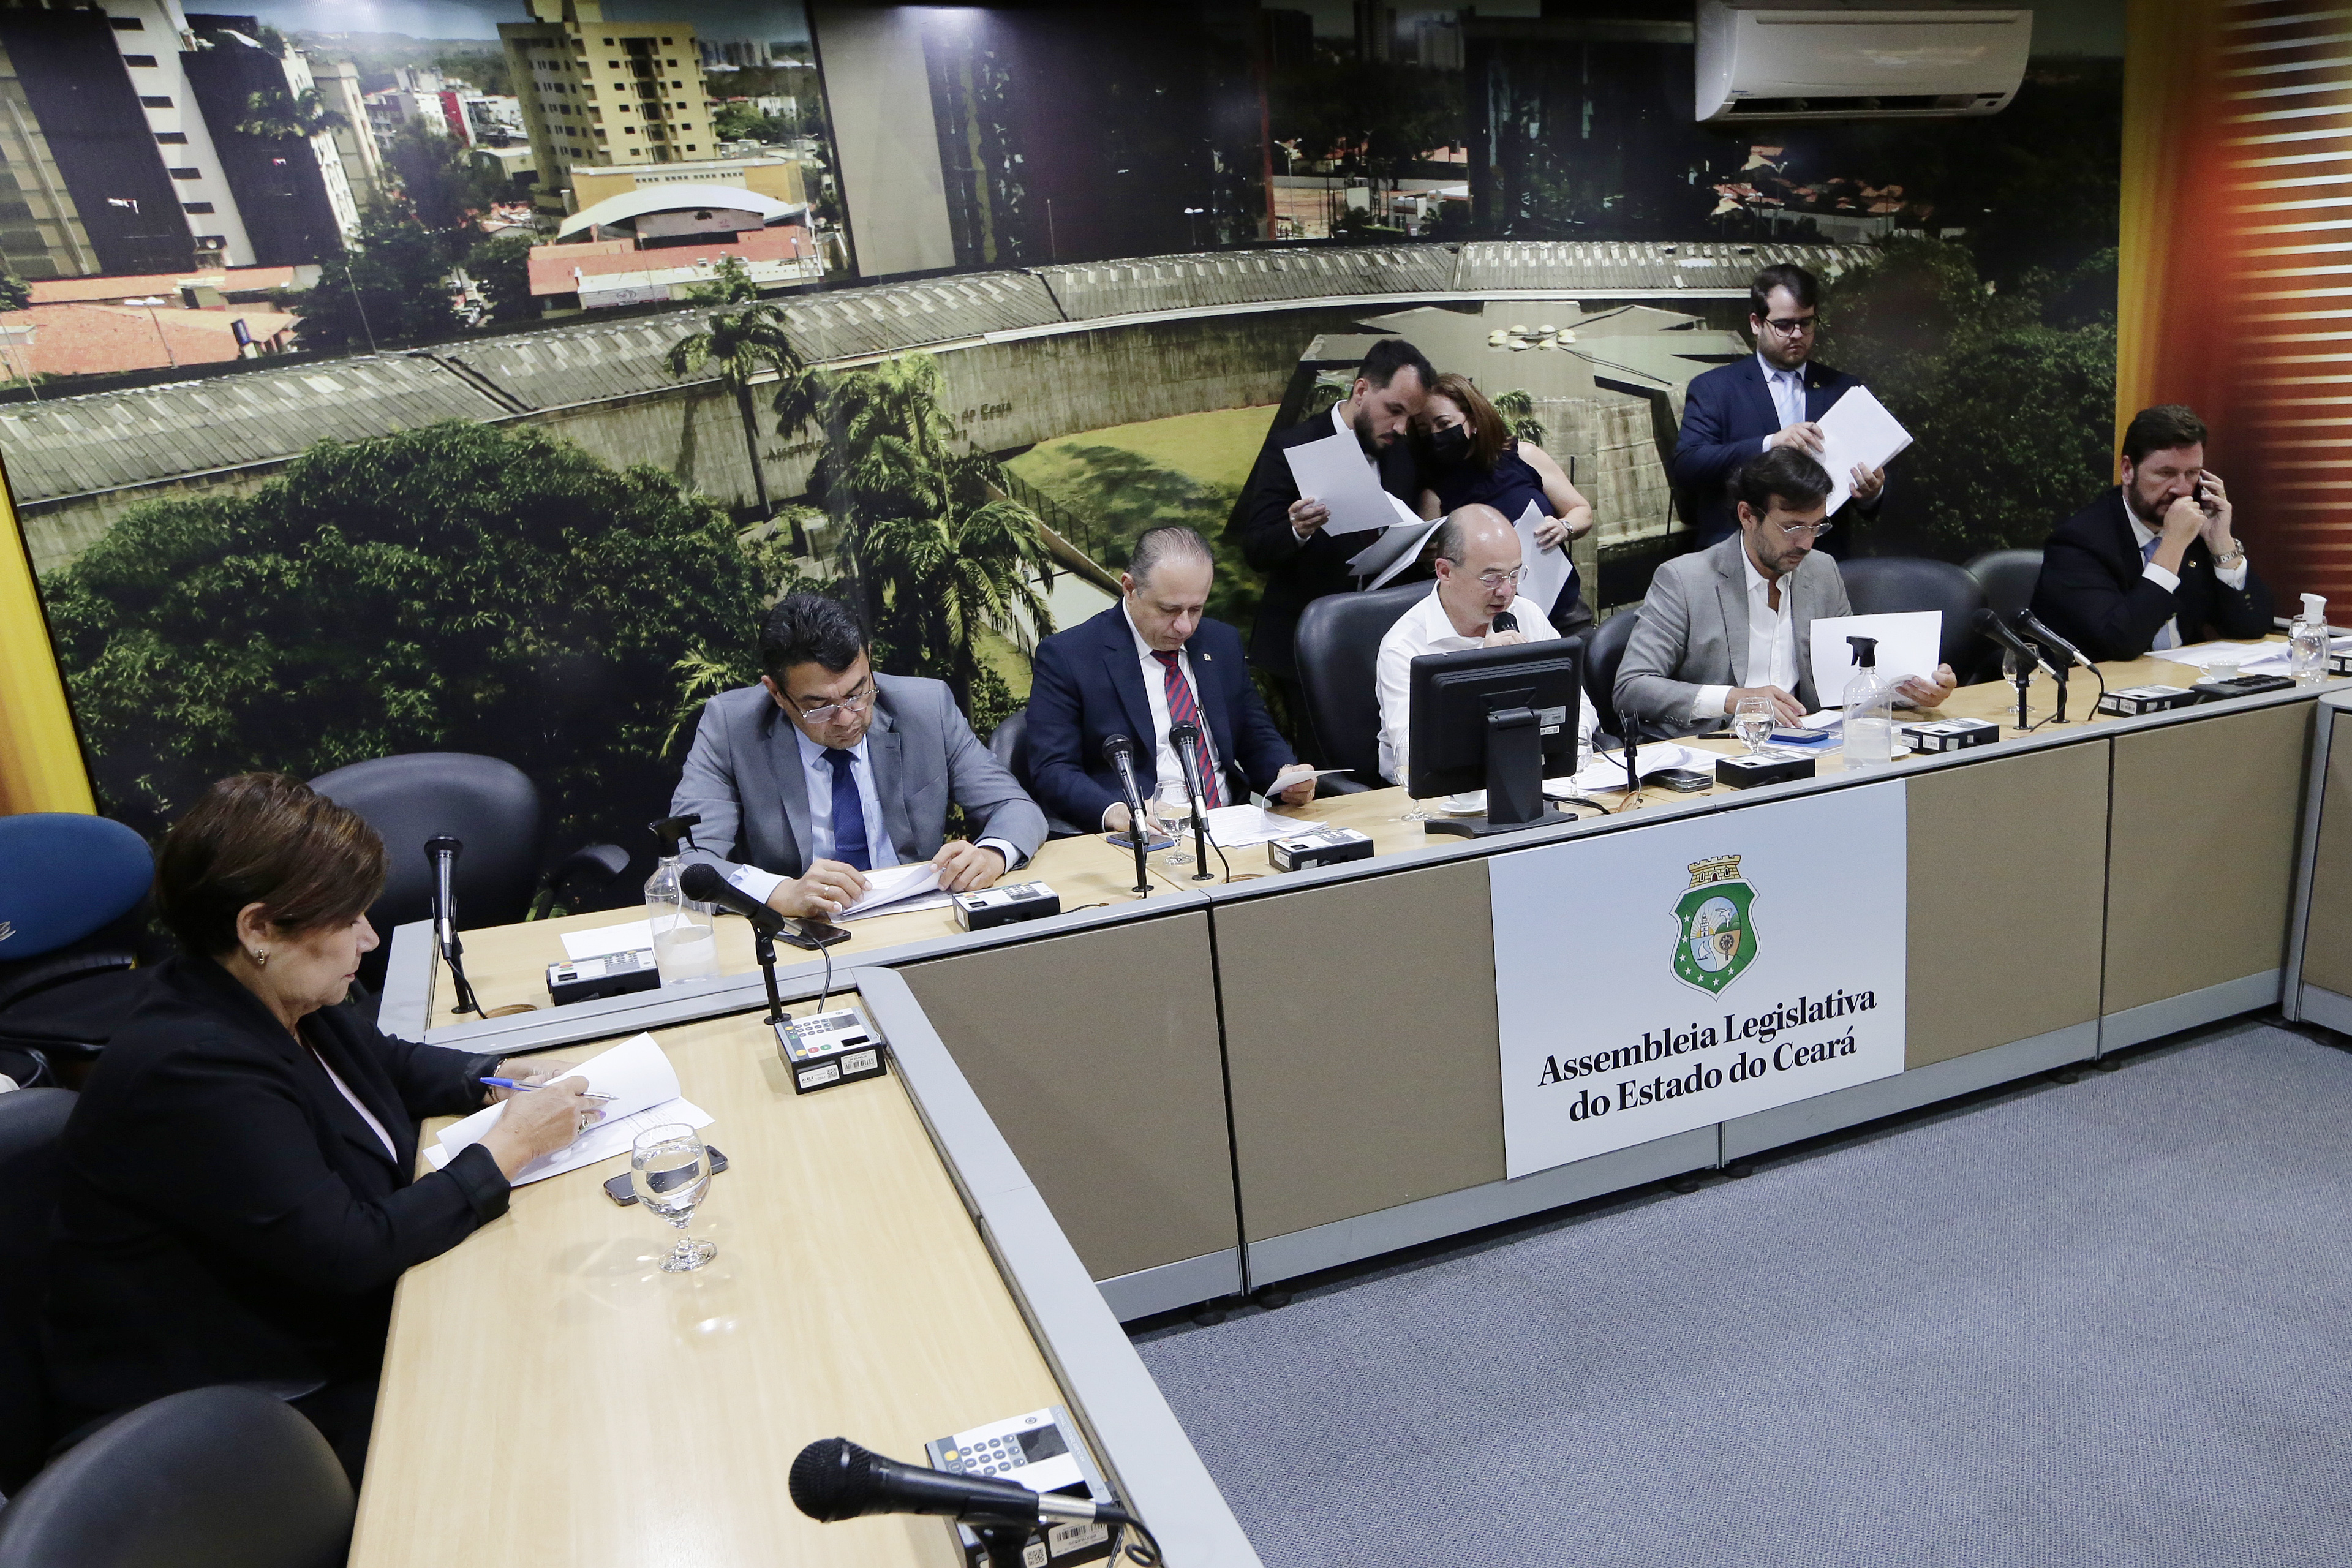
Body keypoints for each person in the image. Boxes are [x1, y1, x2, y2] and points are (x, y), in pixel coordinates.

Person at [42, 774, 597, 1483]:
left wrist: (495, 1073)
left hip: (323, 1330)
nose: (369, 936)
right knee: (531, 1426)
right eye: (347, 918)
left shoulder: (275, 992)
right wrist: (511, 1144)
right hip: (237, 1408)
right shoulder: (193, 1068)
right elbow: (350, 1251)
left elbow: (386, 1061)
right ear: (259, 929)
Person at [671, 594, 1046, 919]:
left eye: (857, 693)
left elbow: (1014, 807)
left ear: (868, 659)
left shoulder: (926, 707)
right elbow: (683, 863)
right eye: (819, 707)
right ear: (777, 694)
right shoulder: (732, 728)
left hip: (918, 915)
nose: (847, 718)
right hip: (803, 930)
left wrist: (991, 855)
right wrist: (781, 893)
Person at [1616, 447, 1957, 737]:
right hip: (1717, 749)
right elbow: (1632, 687)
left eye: (1817, 526)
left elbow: (1847, 676)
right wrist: (1735, 699)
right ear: (1748, 516)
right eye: (1792, 527)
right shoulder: (1685, 580)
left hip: (1809, 743)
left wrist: (1912, 691)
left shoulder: (1821, 570)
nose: (1806, 543)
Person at [1028, 525, 1319, 835]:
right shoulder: (1070, 656)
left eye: (1196, 609)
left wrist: (1286, 775)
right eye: (1170, 610)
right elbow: (1052, 768)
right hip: (1145, 835)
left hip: (1232, 824)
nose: (1185, 627)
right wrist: (1118, 812)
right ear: (1130, 588)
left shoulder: (1220, 642)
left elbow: (1253, 731)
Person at [1237, 337, 1434, 717]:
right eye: (1394, 410)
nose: (1401, 427)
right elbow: (1256, 548)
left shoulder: (1401, 452)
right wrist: (1296, 529)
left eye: (1410, 417)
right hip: (1305, 649)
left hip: (1382, 647)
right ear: (1361, 391)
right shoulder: (1292, 446)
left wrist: (1423, 545)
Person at [1377, 504, 1600, 787]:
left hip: (1534, 774)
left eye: (1515, 575)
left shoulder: (1527, 615)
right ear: (1445, 571)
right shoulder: (1404, 646)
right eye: (1491, 578)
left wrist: (1570, 749)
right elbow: (1412, 753)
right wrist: (1482, 673)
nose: (1506, 592)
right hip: (1440, 793)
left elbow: (1579, 706)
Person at [2030, 404, 2274, 662]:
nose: (2182, 489)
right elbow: (2120, 643)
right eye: (2166, 473)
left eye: (2192, 474)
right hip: (2100, 682)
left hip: (2180, 678)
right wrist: (2172, 546)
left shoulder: (2198, 529)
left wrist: (2221, 543)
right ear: (2128, 470)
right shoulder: (2079, 543)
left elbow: (2252, 627)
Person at [1672, 263, 1887, 552]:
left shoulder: (1844, 389)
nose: (1797, 334)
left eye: (1806, 323)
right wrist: (1770, 444)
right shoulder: (1714, 388)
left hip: (1821, 555)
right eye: (1784, 325)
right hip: (1739, 554)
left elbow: (1876, 488)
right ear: (1756, 323)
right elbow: (1687, 466)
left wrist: (1872, 493)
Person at [1414, 371, 1597, 638]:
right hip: (1492, 625)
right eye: (1424, 431)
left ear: (1473, 420)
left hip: (1563, 609)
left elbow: (1582, 511)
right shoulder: (1434, 493)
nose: (1435, 435)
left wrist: (1564, 527)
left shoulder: (1524, 456)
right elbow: (1434, 562)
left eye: (1444, 424)